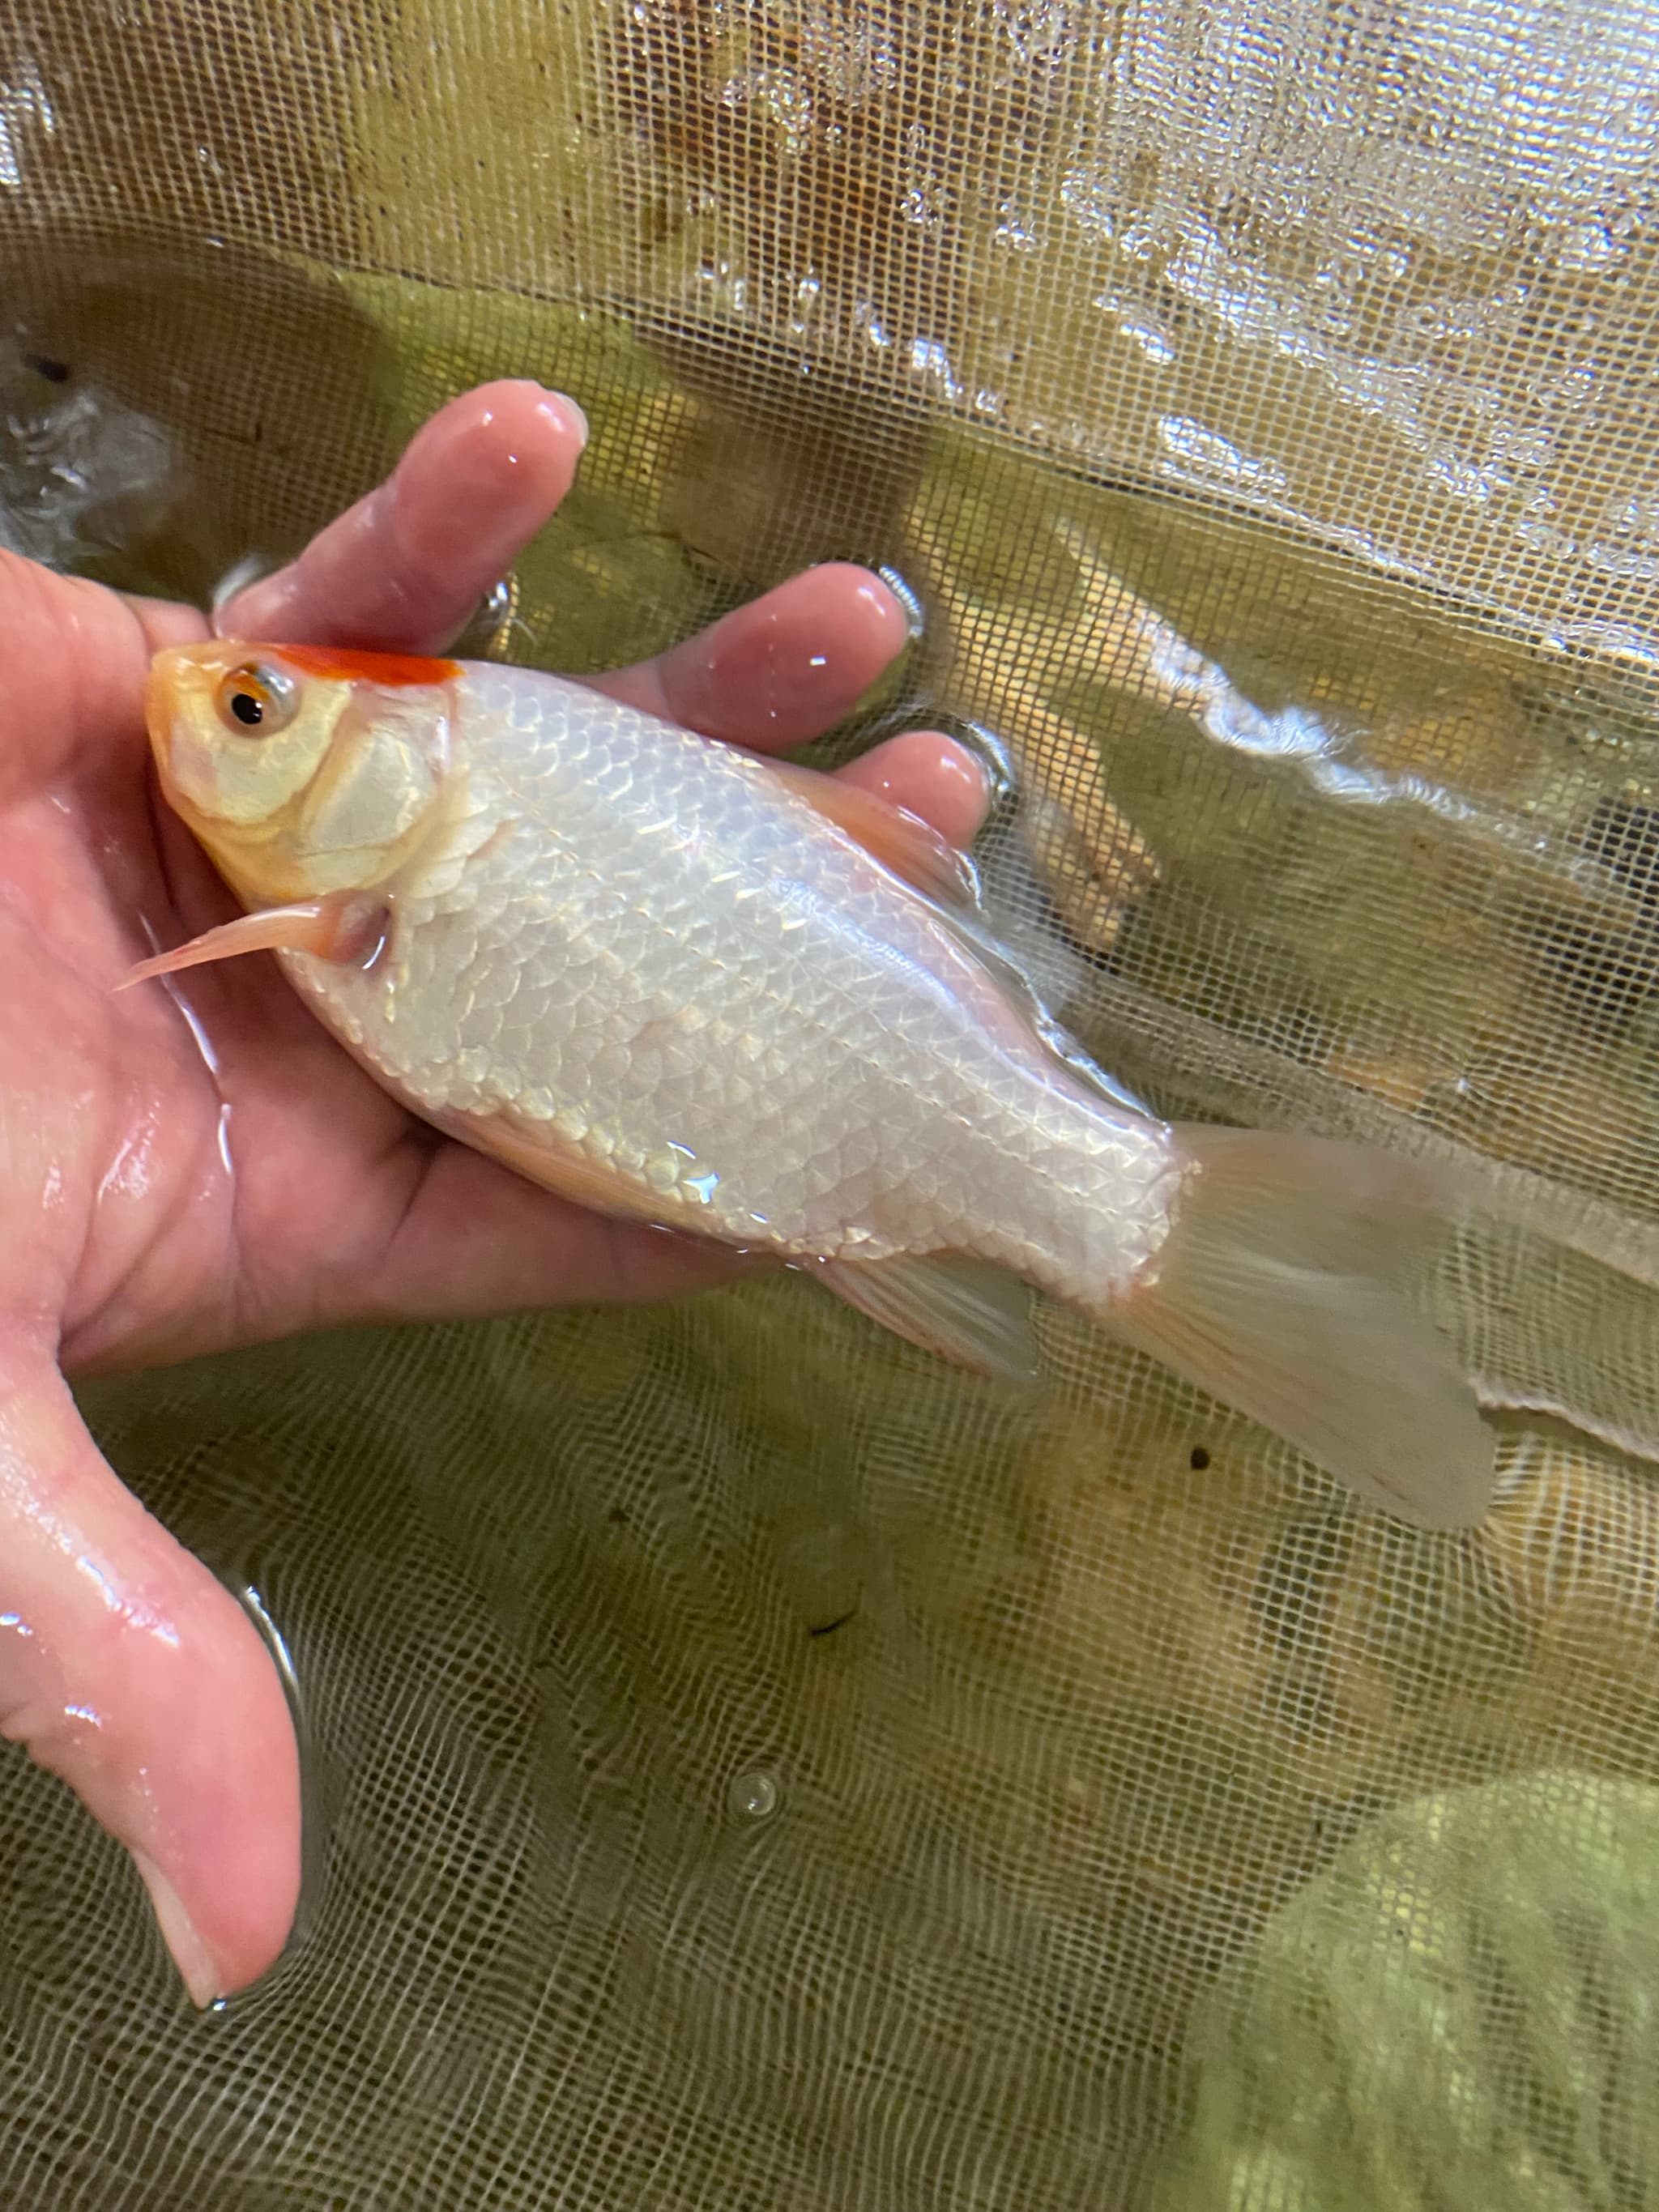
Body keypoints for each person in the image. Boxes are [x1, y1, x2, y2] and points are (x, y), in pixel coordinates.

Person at [0, 380, 989, 2006]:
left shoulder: (362, 873)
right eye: (252, 707)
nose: (186, 701)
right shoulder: (339, 875)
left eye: (248, 710)